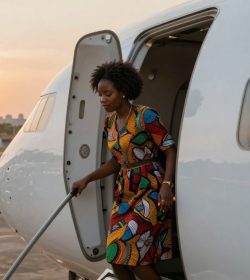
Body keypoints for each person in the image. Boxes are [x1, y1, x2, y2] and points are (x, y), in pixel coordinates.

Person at [72, 61, 176, 280]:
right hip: (126, 194)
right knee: (114, 256)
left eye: (107, 94)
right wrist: (87, 179)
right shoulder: (109, 124)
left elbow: (169, 150)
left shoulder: (146, 116)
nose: (102, 100)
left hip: (151, 189)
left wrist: (167, 184)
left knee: (133, 257)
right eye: (100, 95)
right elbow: (117, 162)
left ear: (124, 91)